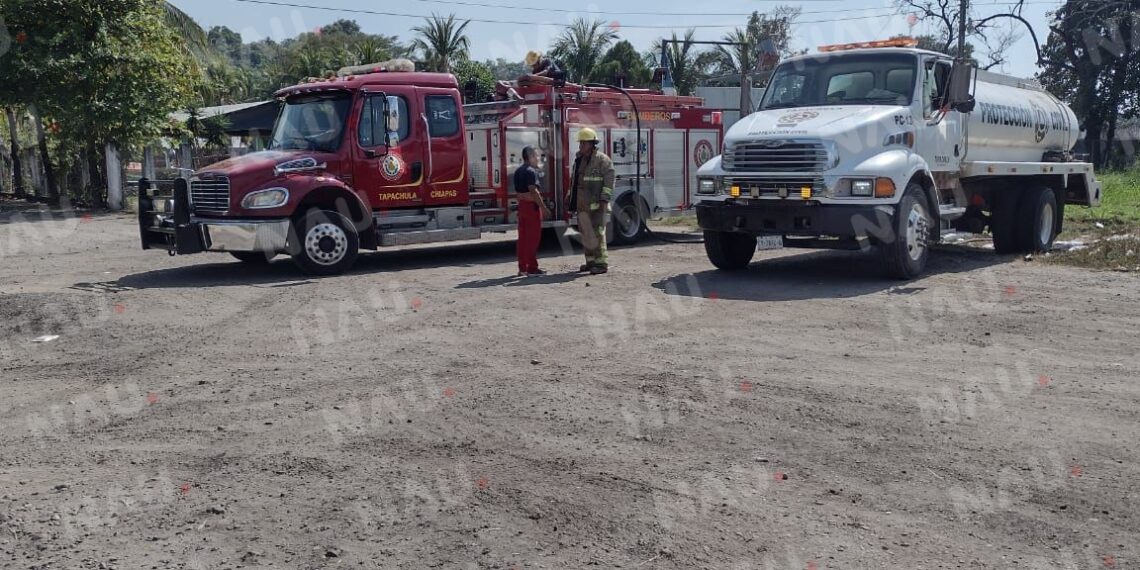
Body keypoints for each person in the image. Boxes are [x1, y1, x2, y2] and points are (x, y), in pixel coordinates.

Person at [567, 128, 614, 275]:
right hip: (582, 204)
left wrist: (604, 199)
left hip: (597, 204)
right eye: (580, 142)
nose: (580, 145)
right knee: (586, 233)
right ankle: (591, 261)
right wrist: (570, 195)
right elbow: (575, 180)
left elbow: (609, 181)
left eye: (584, 143)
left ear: (592, 143)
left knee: (597, 233)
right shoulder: (579, 160)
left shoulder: (602, 160)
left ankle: (601, 263)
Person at [513, 146, 551, 276]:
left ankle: (522, 267)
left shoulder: (518, 171)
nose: (538, 158)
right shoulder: (530, 171)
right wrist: (543, 207)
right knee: (533, 239)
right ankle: (532, 268)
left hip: (522, 207)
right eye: (536, 155)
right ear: (530, 157)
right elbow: (533, 191)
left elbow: (519, 193)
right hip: (531, 208)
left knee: (523, 238)